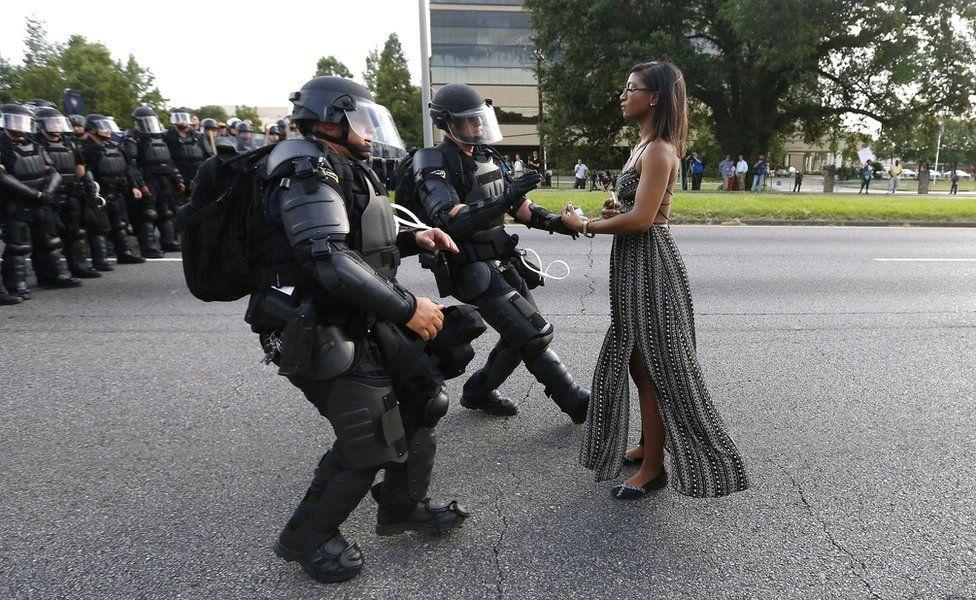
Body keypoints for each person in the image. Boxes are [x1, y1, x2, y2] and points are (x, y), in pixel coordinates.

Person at [198, 76, 472, 583]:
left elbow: (357, 241)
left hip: (354, 313)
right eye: (360, 119)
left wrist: (417, 239)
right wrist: (409, 308)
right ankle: (306, 537)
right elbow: (327, 258)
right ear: (328, 120)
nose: (370, 130)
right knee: (369, 436)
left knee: (422, 397)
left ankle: (400, 504)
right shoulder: (304, 167)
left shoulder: (335, 164)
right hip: (314, 322)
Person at [560, 61, 749, 500]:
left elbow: (644, 220)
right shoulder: (642, 146)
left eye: (631, 88)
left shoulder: (661, 149)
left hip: (651, 265)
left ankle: (653, 467)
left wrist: (584, 224)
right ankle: (649, 443)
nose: (623, 96)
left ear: (655, 97)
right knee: (636, 361)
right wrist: (613, 213)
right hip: (633, 263)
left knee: (658, 368)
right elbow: (634, 211)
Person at [410, 83, 589, 422]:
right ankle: (576, 402)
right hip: (469, 266)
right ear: (446, 123)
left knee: (520, 334)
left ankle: (478, 390)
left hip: (502, 259)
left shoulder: (487, 156)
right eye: (469, 121)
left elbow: (520, 206)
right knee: (534, 333)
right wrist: (504, 200)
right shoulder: (432, 161)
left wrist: (558, 223)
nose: (477, 126)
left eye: (480, 119)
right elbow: (448, 218)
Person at [0, 103, 81, 298]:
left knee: (50, 241)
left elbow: (53, 171)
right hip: (16, 203)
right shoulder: (2, 146)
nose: (19, 126)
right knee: (18, 246)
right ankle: (16, 284)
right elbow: (3, 177)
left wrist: (47, 193)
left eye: (23, 121)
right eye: (15, 121)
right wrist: (34, 194)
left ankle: (53, 275)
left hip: (42, 201)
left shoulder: (35, 144)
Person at [35, 106, 101, 279]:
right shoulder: (36, 144)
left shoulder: (68, 142)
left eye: (58, 122)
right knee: (49, 237)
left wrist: (87, 188)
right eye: (52, 123)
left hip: (71, 193)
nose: (56, 126)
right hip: (49, 196)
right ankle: (49, 274)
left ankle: (79, 267)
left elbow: (80, 167)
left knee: (75, 232)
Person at [83, 114, 146, 267]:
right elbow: (85, 173)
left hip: (118, 192)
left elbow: (128, 169)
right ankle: (101, 261)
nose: (107, 131)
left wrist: (134, 186)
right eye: (103, 127)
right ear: (92, 129)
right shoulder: (87, 149)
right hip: (100, 194)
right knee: (99, 228)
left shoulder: (115, 146)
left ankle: (125, 253)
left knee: (120, 224)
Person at [123, 107, 185, 256]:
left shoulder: (160, 138)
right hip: (148, 178)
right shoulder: (133, 138)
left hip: (164, 179)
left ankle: (168, 241)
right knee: (148, 213)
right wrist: (140, 184)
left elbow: (169, 161)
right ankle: (148, 247)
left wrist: (178, 179)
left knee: (167, 212)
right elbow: (132, 164)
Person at [164, 111, 211, 189]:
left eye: (184, 118)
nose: (182, 121)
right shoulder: (168, 136)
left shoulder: (199, 136)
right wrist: (177, 179)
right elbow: (167, 160)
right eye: (179, 118)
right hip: (180, 176)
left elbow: (209, 156)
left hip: (199, 175)